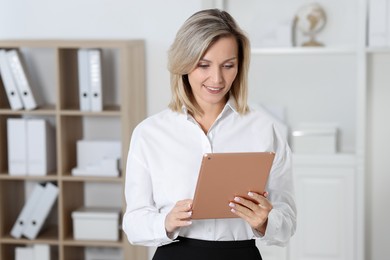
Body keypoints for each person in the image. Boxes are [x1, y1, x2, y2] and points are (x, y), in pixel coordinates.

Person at [122, 8, 296, 260]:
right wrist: (166, 222)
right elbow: (133, 224)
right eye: (203, 65)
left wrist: (266, 221)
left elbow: (288, 222)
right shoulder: (150, 133)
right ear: (184, 63)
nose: (217, 79)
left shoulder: (264, 129)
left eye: (228, 66)